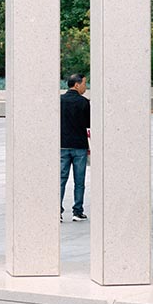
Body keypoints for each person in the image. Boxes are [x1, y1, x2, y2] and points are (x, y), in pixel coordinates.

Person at [60, 73, 91, 222]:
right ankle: (77, 211)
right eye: (85, 83)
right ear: (77, 84)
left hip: (62, 145)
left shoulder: (59, 101)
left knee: (61, 179)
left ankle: (57, 211)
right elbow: (88, 124)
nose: (86, 86)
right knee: (79, 180)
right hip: (79, 145)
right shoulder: (84, 102)